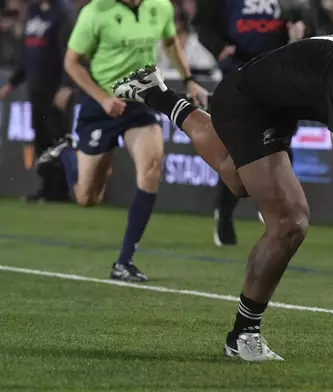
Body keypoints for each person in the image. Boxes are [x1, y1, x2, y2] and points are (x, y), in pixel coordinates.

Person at [113, 34, 333, 361]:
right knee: (289, 221)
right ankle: (243, 335)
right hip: (245, 100)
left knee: (238, 181)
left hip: (283, 105)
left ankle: (158, 94)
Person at [36, 0, 209, 282]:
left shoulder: (160, 6)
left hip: (140, 101)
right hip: (101, 104)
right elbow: (71, 62)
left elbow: (169, 40)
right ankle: (67, 152)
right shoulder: (95, 12)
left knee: (152, 168)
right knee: (88, 197)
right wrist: (103, 98)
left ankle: (124, 262)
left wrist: (189, 79)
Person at [192, 0, 309, 246]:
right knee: (239, 149)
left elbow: (311, 21)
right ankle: (225, 215)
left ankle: (275, 203)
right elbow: (203, 22)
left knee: (280, 140)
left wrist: (302, 34)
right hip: (239, 73)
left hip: (280, 73)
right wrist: (219, 46)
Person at [0, 0, 76, 202]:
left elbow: (71, 52)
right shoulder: (33, 11)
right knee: (41, 140)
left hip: (55, 88)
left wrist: (67, 85)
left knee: (57, 138)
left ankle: (61, 190)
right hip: (36, 88)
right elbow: (28, 54)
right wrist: (13, 82)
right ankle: (46, 187)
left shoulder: (63, 13)